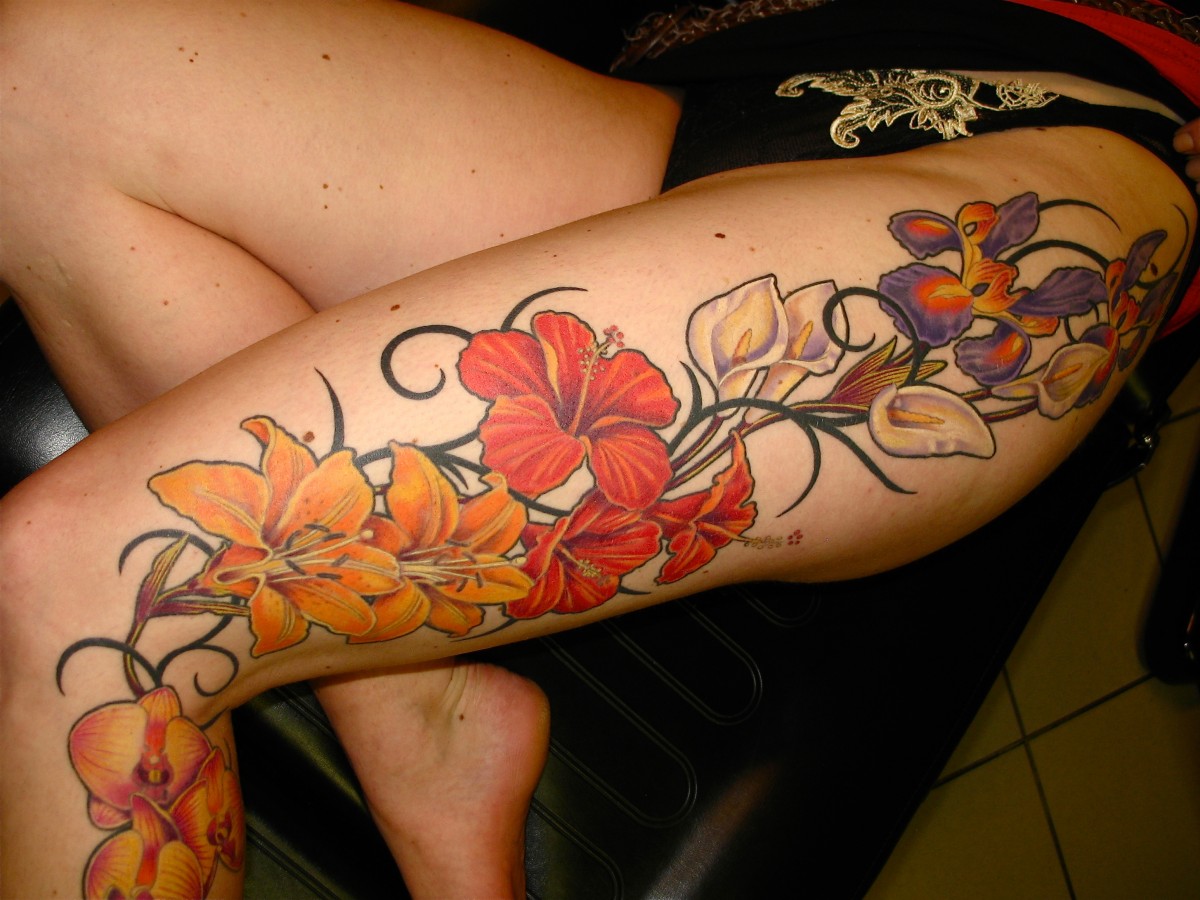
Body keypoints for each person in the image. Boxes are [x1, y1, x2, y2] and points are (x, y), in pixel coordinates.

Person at [1, 1, 1198, 898]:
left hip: (1058, 145)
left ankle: (412, 735)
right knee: (25, 83)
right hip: (726, 68)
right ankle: (412, 717)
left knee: (98, 594)